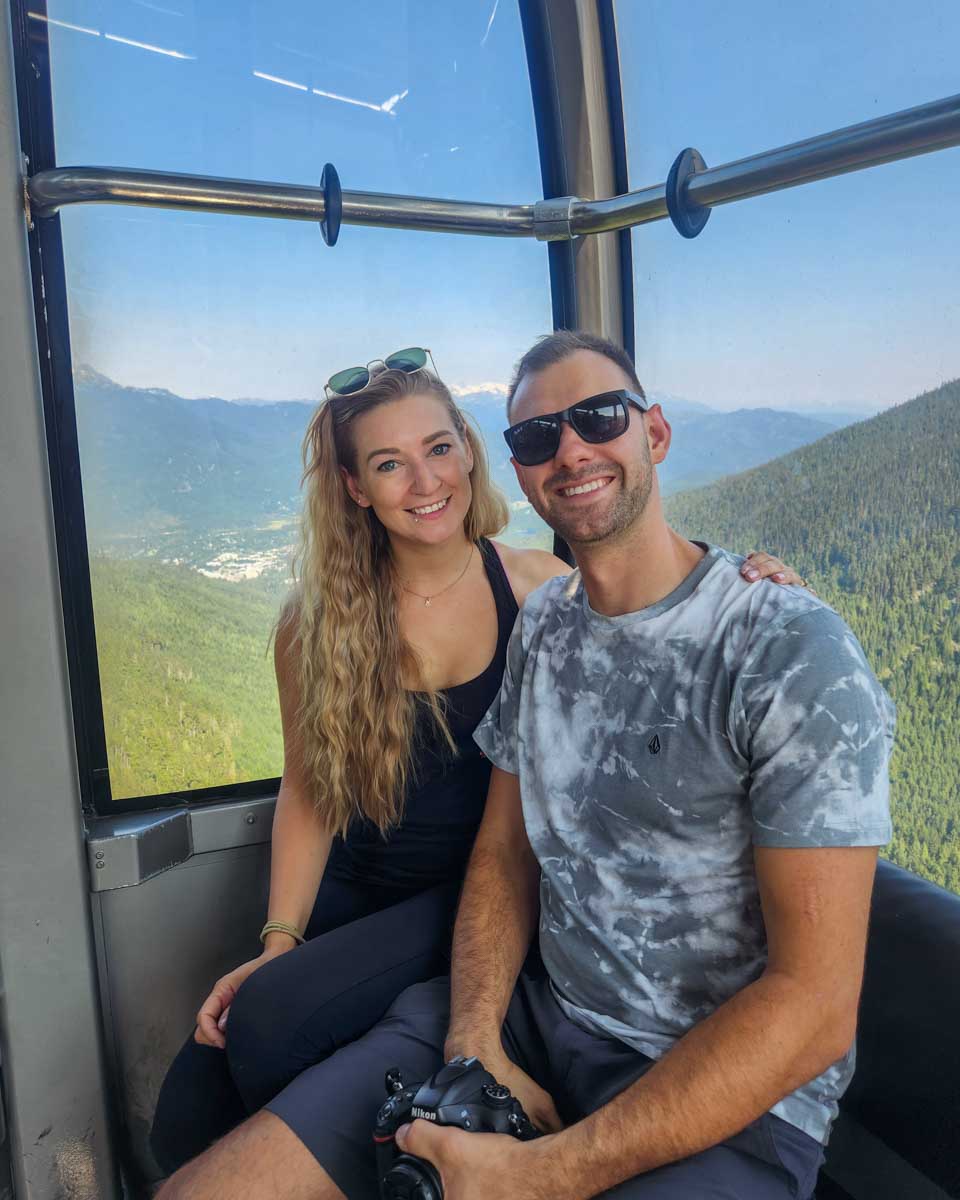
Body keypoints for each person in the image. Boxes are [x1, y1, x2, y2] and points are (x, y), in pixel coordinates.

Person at [150, 341, 810, 1185]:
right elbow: (310, 791)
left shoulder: (538, 592)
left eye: (438, 449)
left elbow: (646, 596)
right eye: (389, 464)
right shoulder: (313, 625)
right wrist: (281, 937)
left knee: (271, 1024)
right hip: (359, 887)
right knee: (191, 1097)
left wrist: (752, 576)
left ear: (468, 450)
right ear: (354, 488)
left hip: (473, 893)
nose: (425, 483)